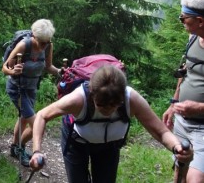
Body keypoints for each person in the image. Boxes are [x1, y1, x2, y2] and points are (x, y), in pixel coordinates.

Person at [29, 65, 193, 183]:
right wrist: (37, 151)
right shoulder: (78, 99)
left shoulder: (132, 99)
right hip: (76, 144)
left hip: (109, 147)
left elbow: (161, 131)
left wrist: (176, 147)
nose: (108, 110)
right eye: (101, 105)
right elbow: (42, 115)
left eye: (114, 105)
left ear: (122, 97)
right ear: (92, 94)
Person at [2, 19, 60, 166]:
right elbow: (5, 69)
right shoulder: (23, 45)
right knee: (37, 124)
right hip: (17, 88)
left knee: (23, 119)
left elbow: (48, 67)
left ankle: (15, 147)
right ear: (35, 36)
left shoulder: (48, 45)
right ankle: (24, 148)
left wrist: (61, 72)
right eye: (42, 42)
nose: (44, 46)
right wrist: (12, 70)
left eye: (47, 42)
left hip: (32, 88)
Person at [162, 0, 204, 183]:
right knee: (180, 171)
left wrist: (199, 107)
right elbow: (185, 70)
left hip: (203, 127)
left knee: (195, 179)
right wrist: (174, 102)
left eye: (183, 17)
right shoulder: (193, 38)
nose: (181, 21)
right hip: (182, 121)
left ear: (200, 21)